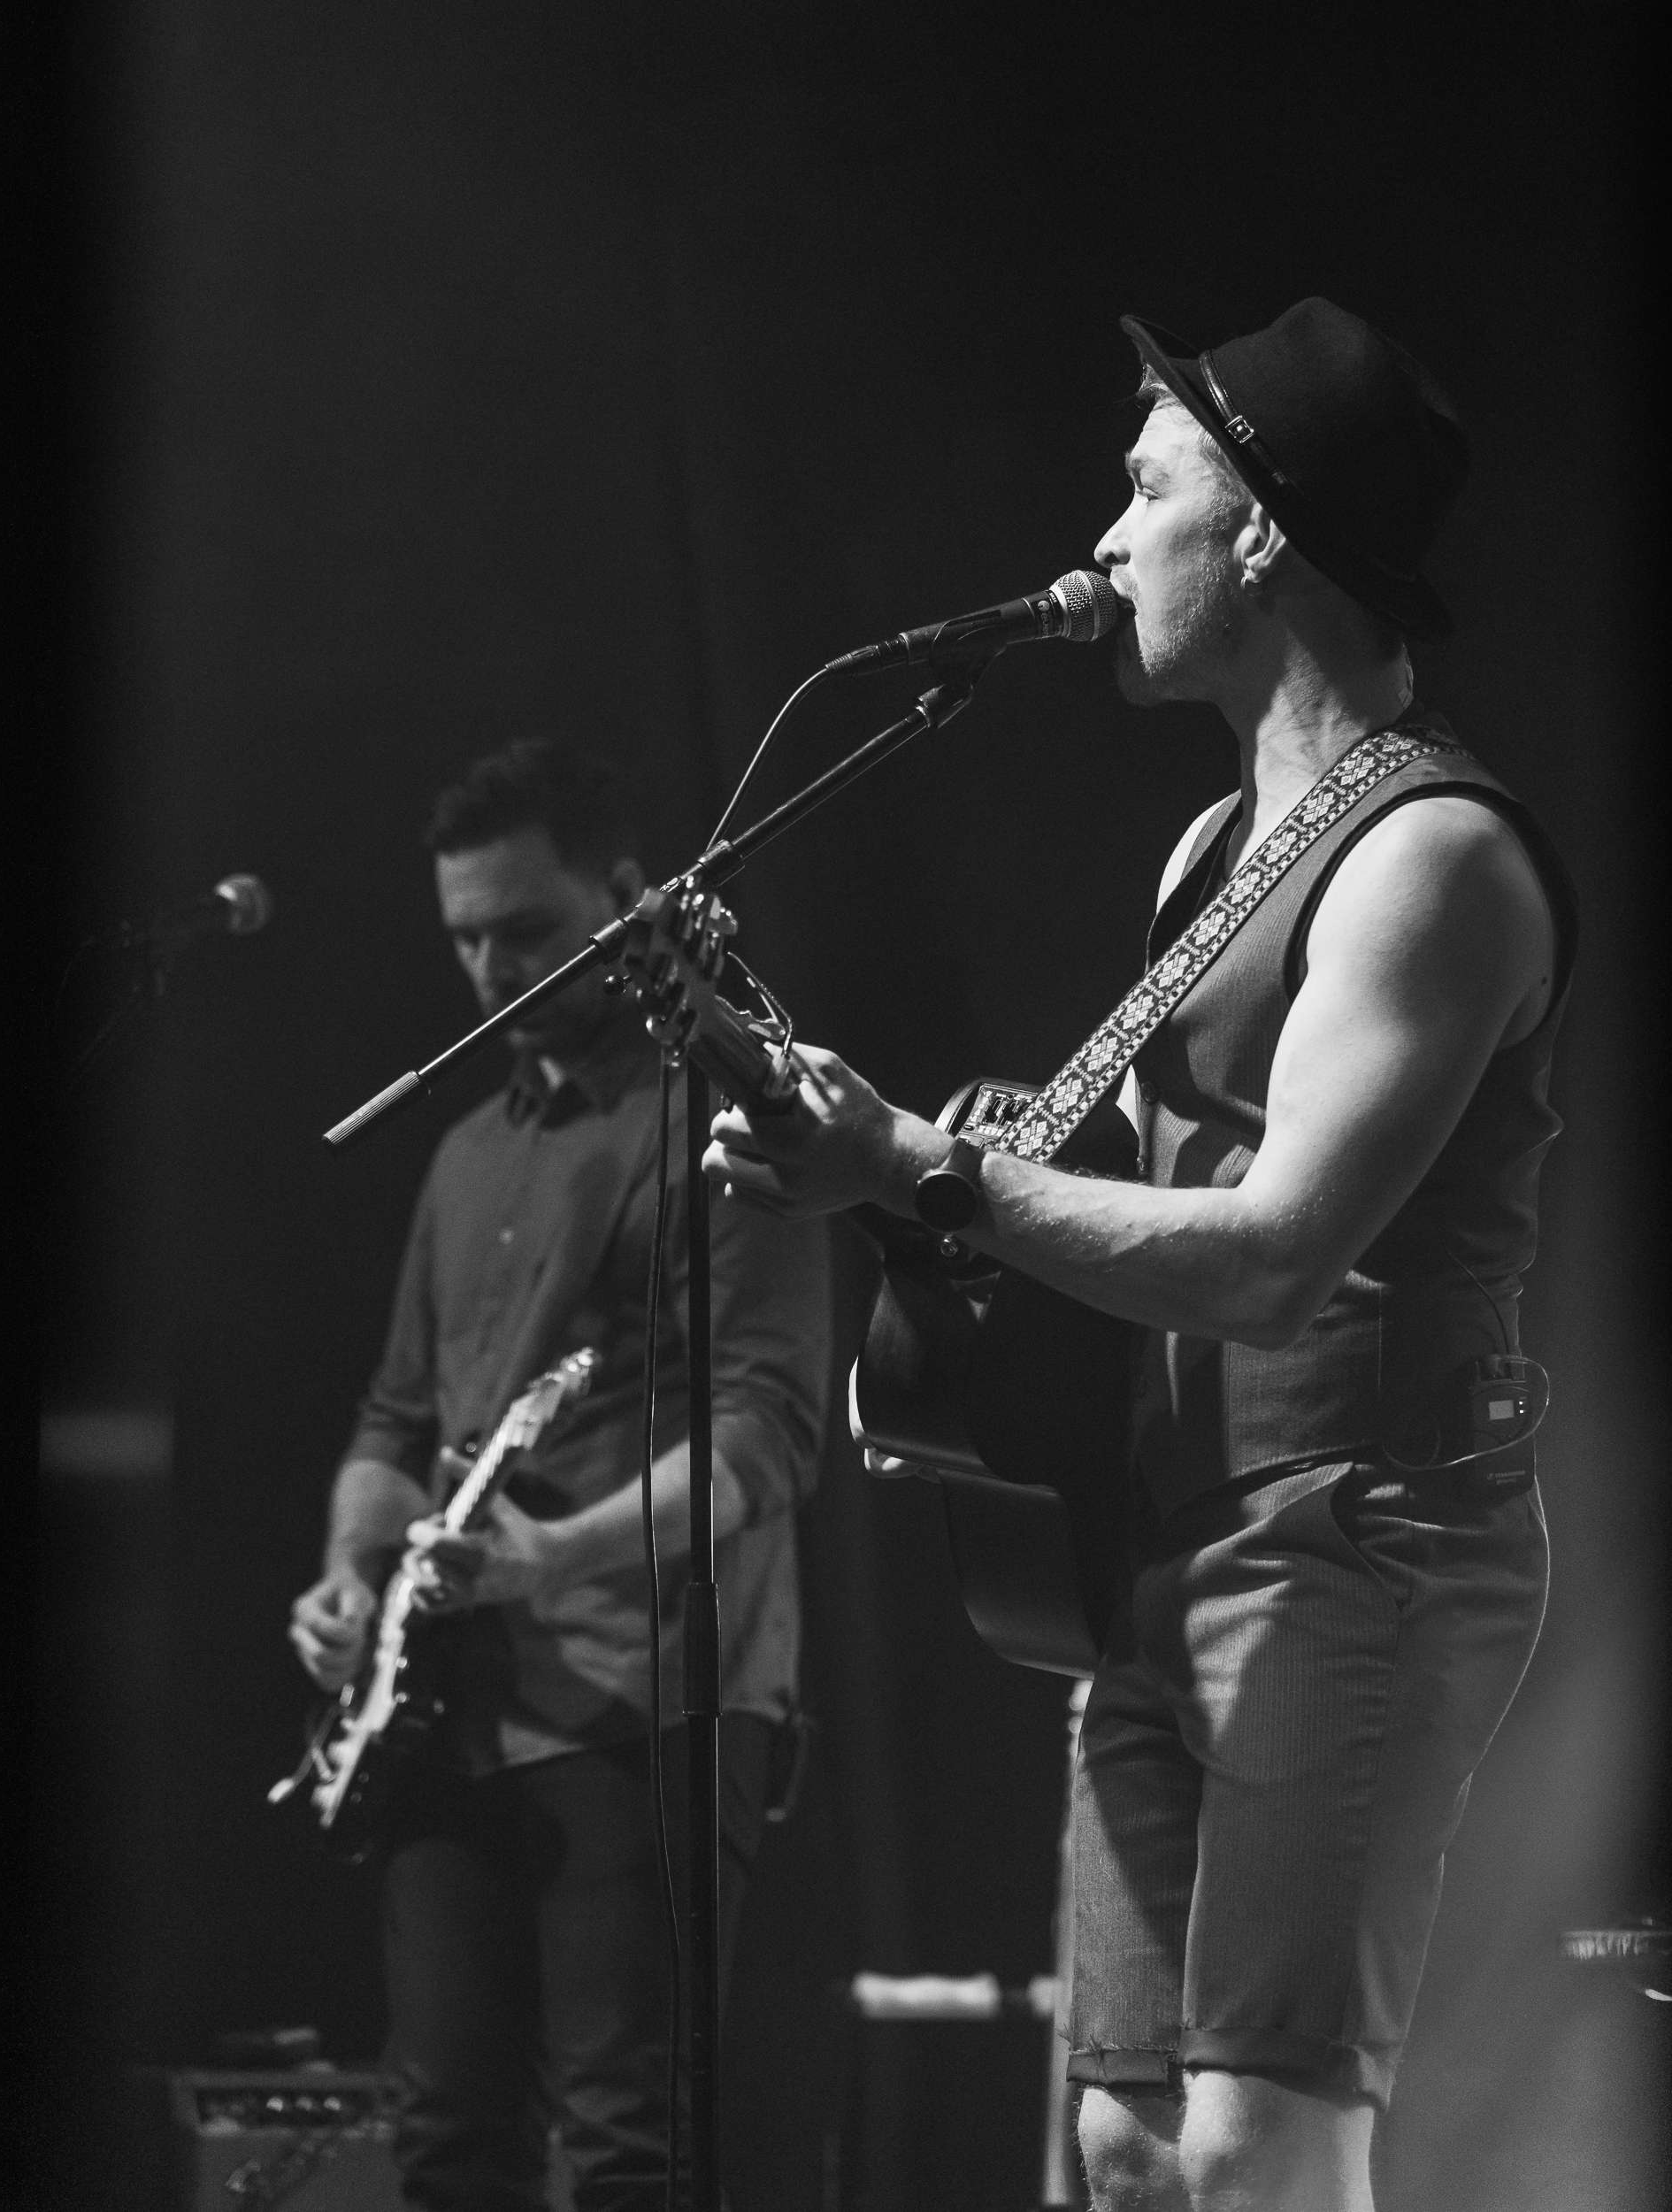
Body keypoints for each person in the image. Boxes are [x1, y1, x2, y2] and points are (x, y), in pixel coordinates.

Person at [702, 298, 1573, 2212]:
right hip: (1169, 1538)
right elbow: (1133, 1194)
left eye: (1146, 486)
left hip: (1360, 1531)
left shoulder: (1430, 858)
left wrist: (921, 1166)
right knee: (1129, 2143)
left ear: (1256, 532)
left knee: (1262, 2146)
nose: (1104, 538)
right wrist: (890, 1172)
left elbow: (1272, 1260)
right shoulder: (1210, 850)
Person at [288, 740, 831, 2211]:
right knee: (443, 2142)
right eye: (465, 938)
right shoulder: (468, 1147)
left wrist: (552, 1556)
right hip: (444, 1702)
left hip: (641, 1694)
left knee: (623, 2144)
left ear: (626, 894)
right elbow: (397, 1421)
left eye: (524, 930)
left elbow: (772, 1432)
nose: (490, 970)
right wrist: (349, 1580)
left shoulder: (733, 1116)